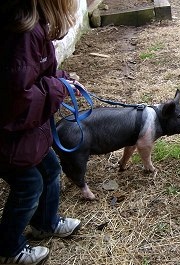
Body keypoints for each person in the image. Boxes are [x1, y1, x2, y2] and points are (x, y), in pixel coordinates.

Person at [0, 0, 84, 264]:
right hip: (10, 137)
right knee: (29, 185)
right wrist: (57, 87)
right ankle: (8, 248)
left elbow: (37, 73)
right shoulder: (23, 34)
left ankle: (45, 224)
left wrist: (62, 78)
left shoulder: (33, 26)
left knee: (50, 169)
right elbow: (18, 100)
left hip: (27, 134)